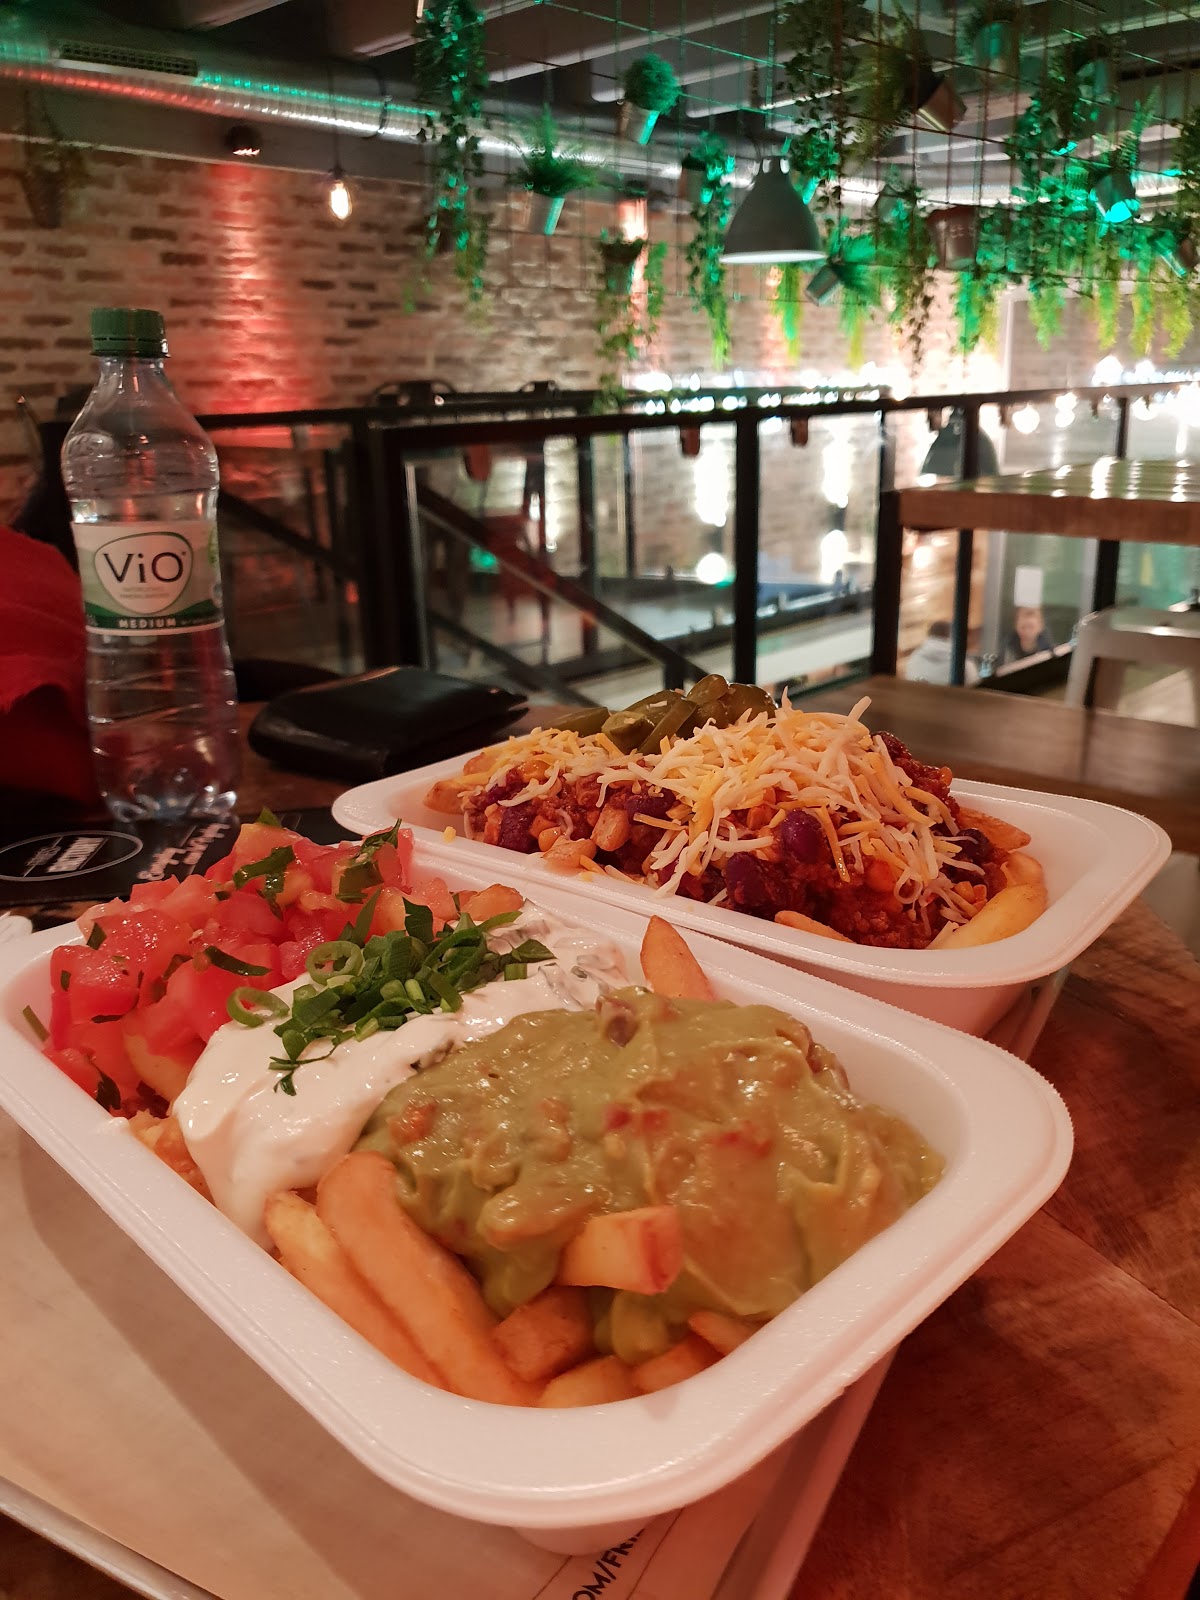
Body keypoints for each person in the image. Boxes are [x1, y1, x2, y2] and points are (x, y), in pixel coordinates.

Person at [904, 619, 979, 685]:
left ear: (929, 635)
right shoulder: (964, 665)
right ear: (952, 636)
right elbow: (974, 689)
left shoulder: (913, 658)